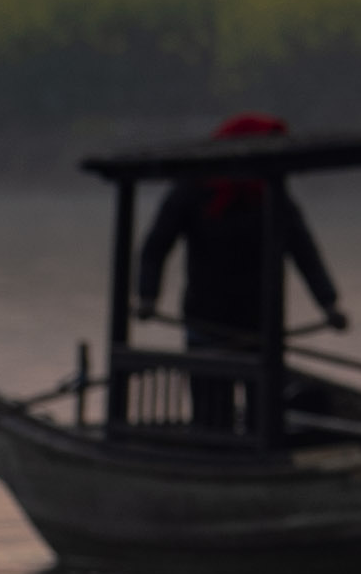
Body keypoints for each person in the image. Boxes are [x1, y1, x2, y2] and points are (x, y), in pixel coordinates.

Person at [135, 114, 348, 433]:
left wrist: (328, 304)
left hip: (260, 325)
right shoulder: (194, 189)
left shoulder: (272, 194)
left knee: (264, 417)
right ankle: (213, 458)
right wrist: (148, 296)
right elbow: (155, 248)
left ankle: (261, 461)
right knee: (211, 416)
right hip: (206, 323)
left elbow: (305, 253)